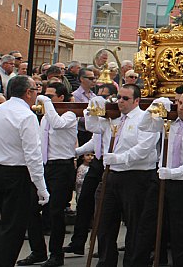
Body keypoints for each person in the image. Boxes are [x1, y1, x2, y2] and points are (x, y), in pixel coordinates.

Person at [85, 84, 159, 266]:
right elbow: (92, 126)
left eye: (125, 99)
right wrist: (92, 109)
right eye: (118, 97)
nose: (120, 101)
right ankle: (106, 261)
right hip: (112, 175)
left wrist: (118, 158)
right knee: (105, 222)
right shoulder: (115, 118)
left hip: (136, 176)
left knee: (135, 225)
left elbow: (144, 149)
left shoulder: (145, 119)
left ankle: (134, 263)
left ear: (136, 100)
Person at [133, 90, 183, 267]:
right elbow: (144, 126)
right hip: (160, 181)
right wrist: (153, 107)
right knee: (147, 225)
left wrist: (172, 173)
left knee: (179, 231)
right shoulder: (169, 121)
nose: (180, 107)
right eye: (179, 103)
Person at [18, 82, 77, 267]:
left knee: (55, 211)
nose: (46, 99)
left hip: (61, 167)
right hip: (45, 166)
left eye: (51, 96)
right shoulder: (46, 117)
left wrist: (46, 102)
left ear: (61, 98)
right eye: (46, 95)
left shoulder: (69, 115)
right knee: (31, 209)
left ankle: (56, 254)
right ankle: (38, 251)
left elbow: (58, 124)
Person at [0, 75, 49, 267]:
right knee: (13, 227)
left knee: (3, 223)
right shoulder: (26, 116)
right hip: (17, 174)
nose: (36, 94)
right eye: (35, 90)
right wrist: (41, 187)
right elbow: (33, 156)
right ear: (28, 93)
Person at [63, 84, 117, 256]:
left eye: (104, 96)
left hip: (110, 162)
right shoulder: (98, 118)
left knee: (103, 206)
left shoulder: (114, 118)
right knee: (84, 198)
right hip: (97, 162)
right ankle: (78, 242)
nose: (99, 100)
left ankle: (103, 247)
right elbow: (95, 141)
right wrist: (76, 152)